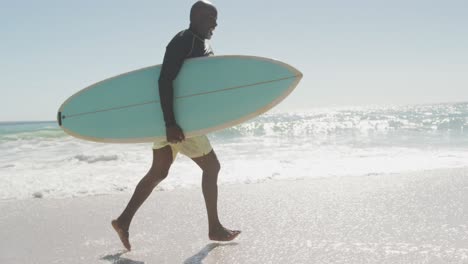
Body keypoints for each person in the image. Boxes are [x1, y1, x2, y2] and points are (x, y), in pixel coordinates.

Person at [111, 0, 241, 251]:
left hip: (173, 121)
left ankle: (123, 221)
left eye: (216, 18)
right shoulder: (184, 40)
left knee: (159, 173)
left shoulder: (202, 42)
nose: (215, 23)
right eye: (210, 17)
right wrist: (171, 123)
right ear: (195, 17)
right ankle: (214, 227)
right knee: (212, 167)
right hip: (179, 123)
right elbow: (164, 80)